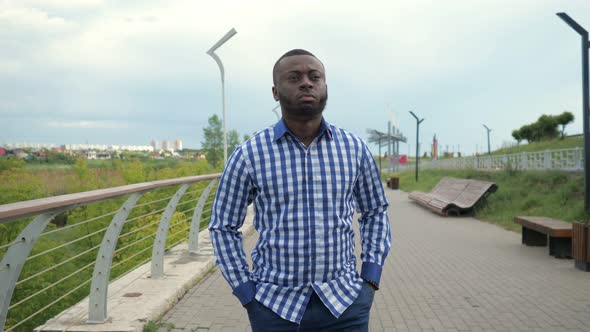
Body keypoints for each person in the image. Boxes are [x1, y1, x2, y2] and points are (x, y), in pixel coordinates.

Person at [209, 49, 391, 332]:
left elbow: (375, 211)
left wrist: (369, 278)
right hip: (273, 307)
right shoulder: (249, 154)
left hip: (345, 305)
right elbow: (222, 226)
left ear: (325, 86)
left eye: (314, 76)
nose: (306, 83)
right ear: (275, 91)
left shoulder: (354, 150)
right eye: (294, 77)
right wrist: (246, 293)